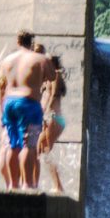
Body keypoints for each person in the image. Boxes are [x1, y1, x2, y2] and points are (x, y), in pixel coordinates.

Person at [0, 29, 54, 189]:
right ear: (31, 42)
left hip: (9, 103)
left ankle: (12, 185)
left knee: (12, 145)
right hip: (28, 103)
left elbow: (3, 81)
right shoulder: (38, 58)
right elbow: (52, 76)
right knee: (28, 145)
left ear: (18, 42)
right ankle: (27, 185)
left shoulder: (7, 60)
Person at [38, 56, 67, 193]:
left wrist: (46, 113)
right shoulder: (53, 76)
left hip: (54, 117)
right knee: (41, 149)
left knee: (46, 150)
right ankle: (56, 184)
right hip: (54, 117)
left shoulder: (56, 75)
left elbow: (54, 95)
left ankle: (58, 186)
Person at [0, 74, 11, 189]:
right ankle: (11, 184)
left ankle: (8, 184)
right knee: (9, 152)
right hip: (14, 121)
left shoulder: (2, 82)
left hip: (7, 121)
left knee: (4, 151)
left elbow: (1, 104)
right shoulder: (17, 84)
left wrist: (2, 117)